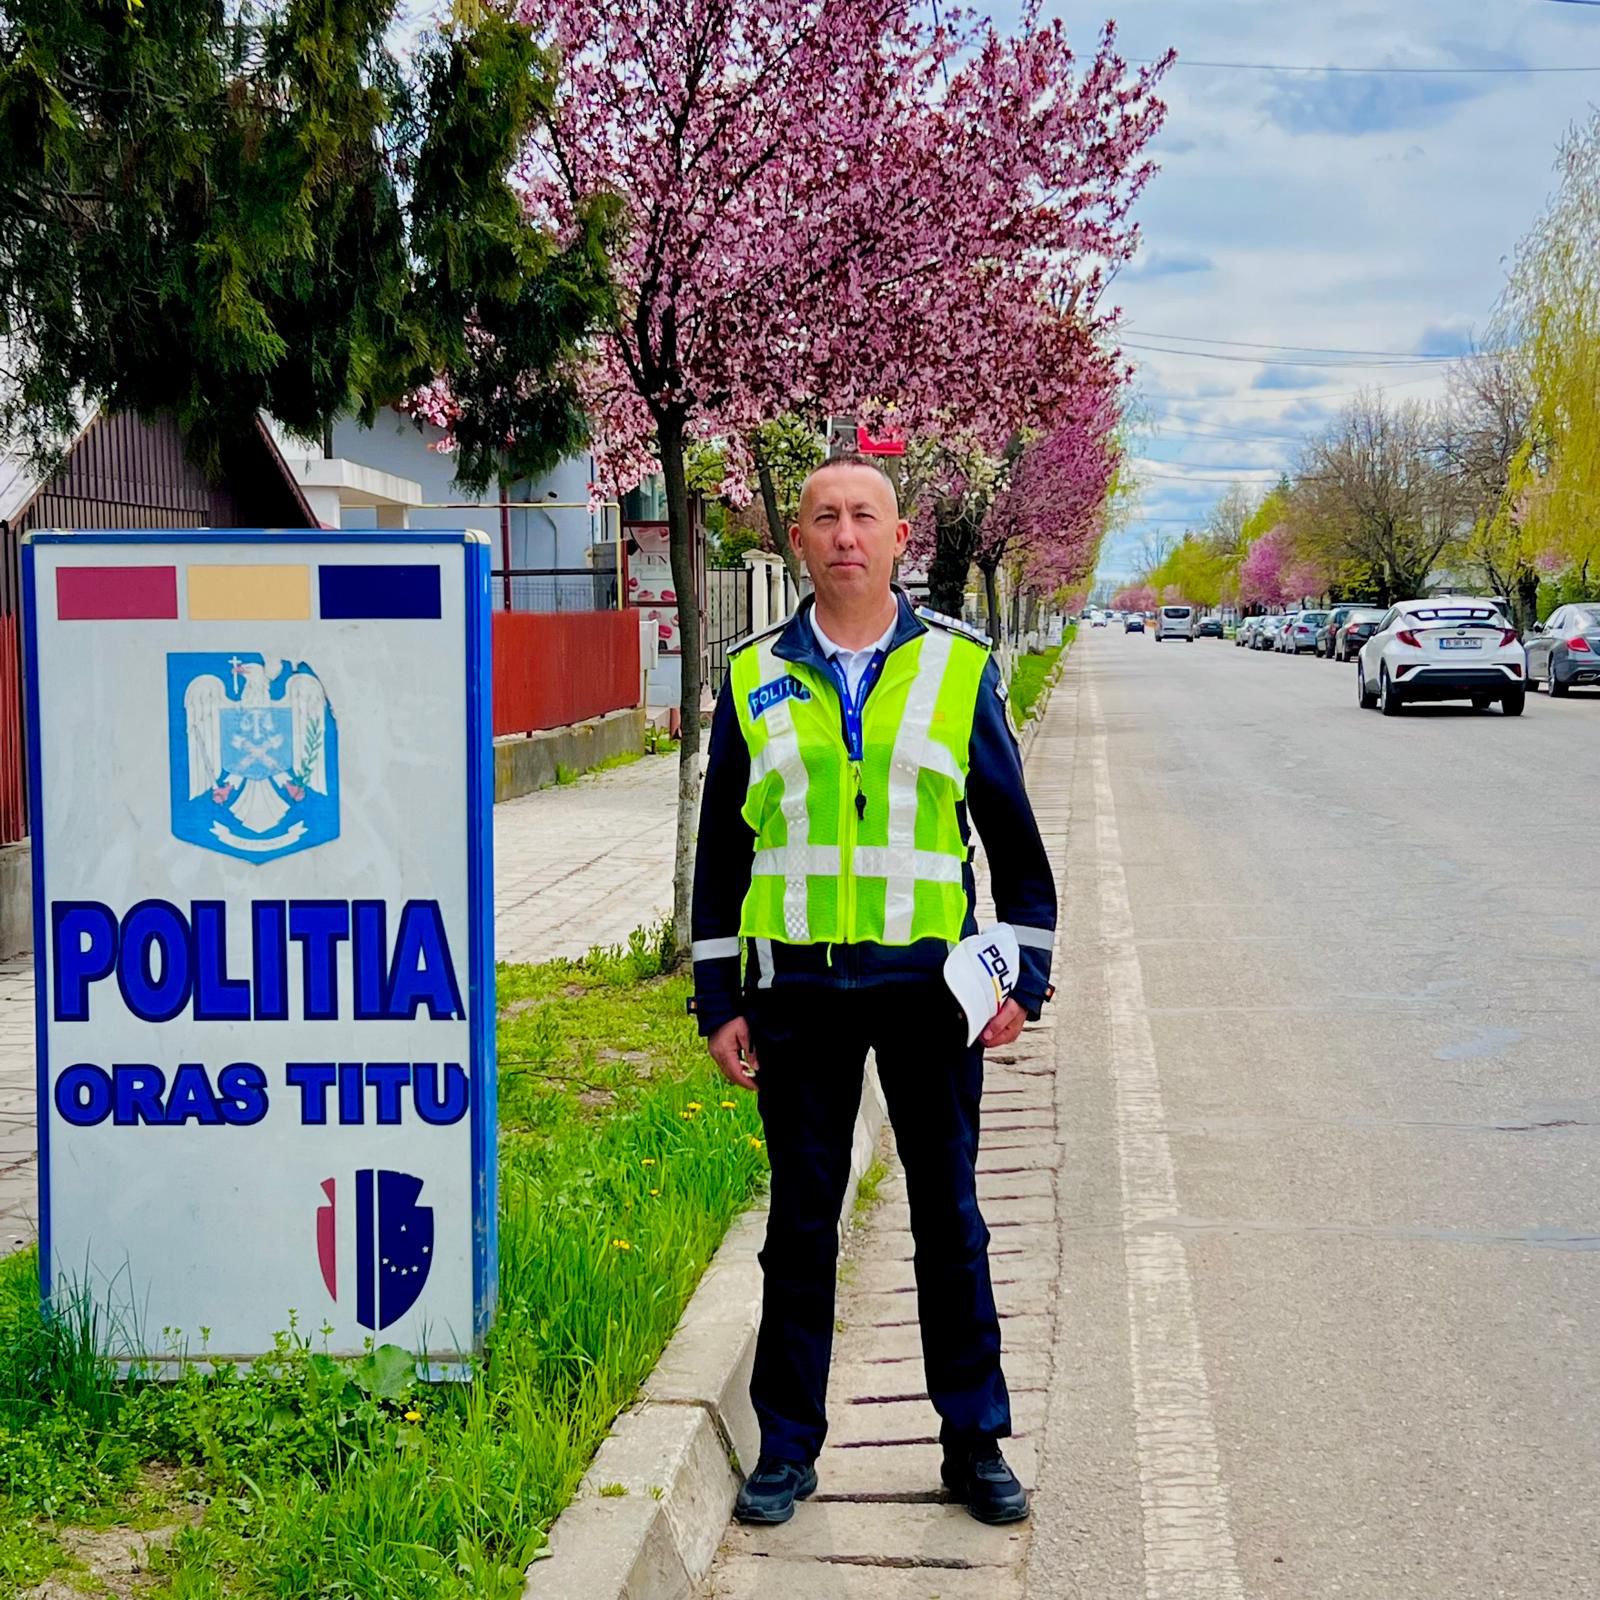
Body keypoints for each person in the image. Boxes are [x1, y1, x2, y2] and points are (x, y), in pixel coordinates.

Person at [690, 454, 1057, 1528]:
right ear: (797, 540)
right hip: (797, 989)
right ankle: (786, 1448)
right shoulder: (751, 676)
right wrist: (719, 999)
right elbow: (721, 855)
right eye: (824, 517)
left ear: (900, 539)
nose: (844, 534)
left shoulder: (958, 668)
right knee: (800, 1222)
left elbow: (1014, 843)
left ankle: (973, 1440)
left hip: (928, 990)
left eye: (864, 516)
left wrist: (1025, 975)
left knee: (949, 1217)